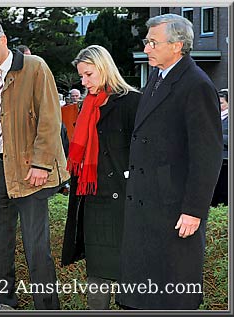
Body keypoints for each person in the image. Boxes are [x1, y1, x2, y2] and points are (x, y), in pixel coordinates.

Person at [118, 14, 223, 310]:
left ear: (176, 46)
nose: (146, 48)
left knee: (172, 292)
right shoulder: (157, 76)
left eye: (152, 42)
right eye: (146, 42)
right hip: (147, 202)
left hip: (173, 208)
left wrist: (193, 210)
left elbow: (208, 155)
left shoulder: (196, 85)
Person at [0, 16, 69, 310]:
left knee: (38, 250)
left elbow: (51, 121)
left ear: (3, 39)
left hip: (31, 170)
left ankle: (47, 309)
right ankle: (3, 305)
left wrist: (40, 164)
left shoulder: (35, 67)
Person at [60, 45, 141, 310]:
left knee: (130, 274)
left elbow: (144, 152)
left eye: (88, 74)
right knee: (97, 277)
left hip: (123, 203)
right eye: (81, 76)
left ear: (104, 69)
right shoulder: (87, 106)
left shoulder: (132, 101)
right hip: (93, 200)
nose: (83, 82)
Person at [211, 89, 228, 206]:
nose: (219, 105)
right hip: (213, 160)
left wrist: (215, 137)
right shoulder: (213, 117)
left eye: (221, 103)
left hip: (226, 161)